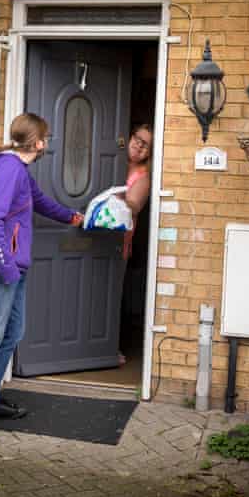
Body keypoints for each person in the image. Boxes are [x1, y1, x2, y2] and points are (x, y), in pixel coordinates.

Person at [0, 112, 84, 453]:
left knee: (12, 334)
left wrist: (74, 216)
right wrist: (5, 265)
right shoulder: (10, 168)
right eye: (47, 137)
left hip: (14, 267)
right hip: (2, 268)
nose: (49, 142)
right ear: (38, 142)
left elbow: (40, 202)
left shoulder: (19, 171)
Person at [118, 124, 153, 365]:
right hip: (92, 234)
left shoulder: (143, 176)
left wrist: (114, 193)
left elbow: (134, 206)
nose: (139, 145)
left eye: (146, 144)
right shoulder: (112, 159)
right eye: (137, 138)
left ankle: (110, 346)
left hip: (120, 241)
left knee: (113, 293)